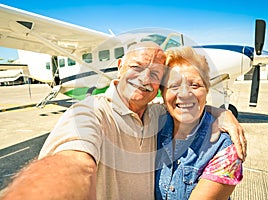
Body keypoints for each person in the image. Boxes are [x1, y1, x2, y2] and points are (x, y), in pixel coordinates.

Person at [0, 42, 245, 200]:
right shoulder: (89, 112)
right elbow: (75, 161)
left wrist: (221, 113)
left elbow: (184, 104)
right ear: (119, 66)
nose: (144, 78)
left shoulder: (157, 117)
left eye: (155, 74)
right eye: (136, 67)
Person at [155, 46, 243, 200]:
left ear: (207, 91)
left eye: (194, 85)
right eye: (174, 86)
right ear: (163, 94)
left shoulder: (226, 150)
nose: (184, 94)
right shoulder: (153, 127)